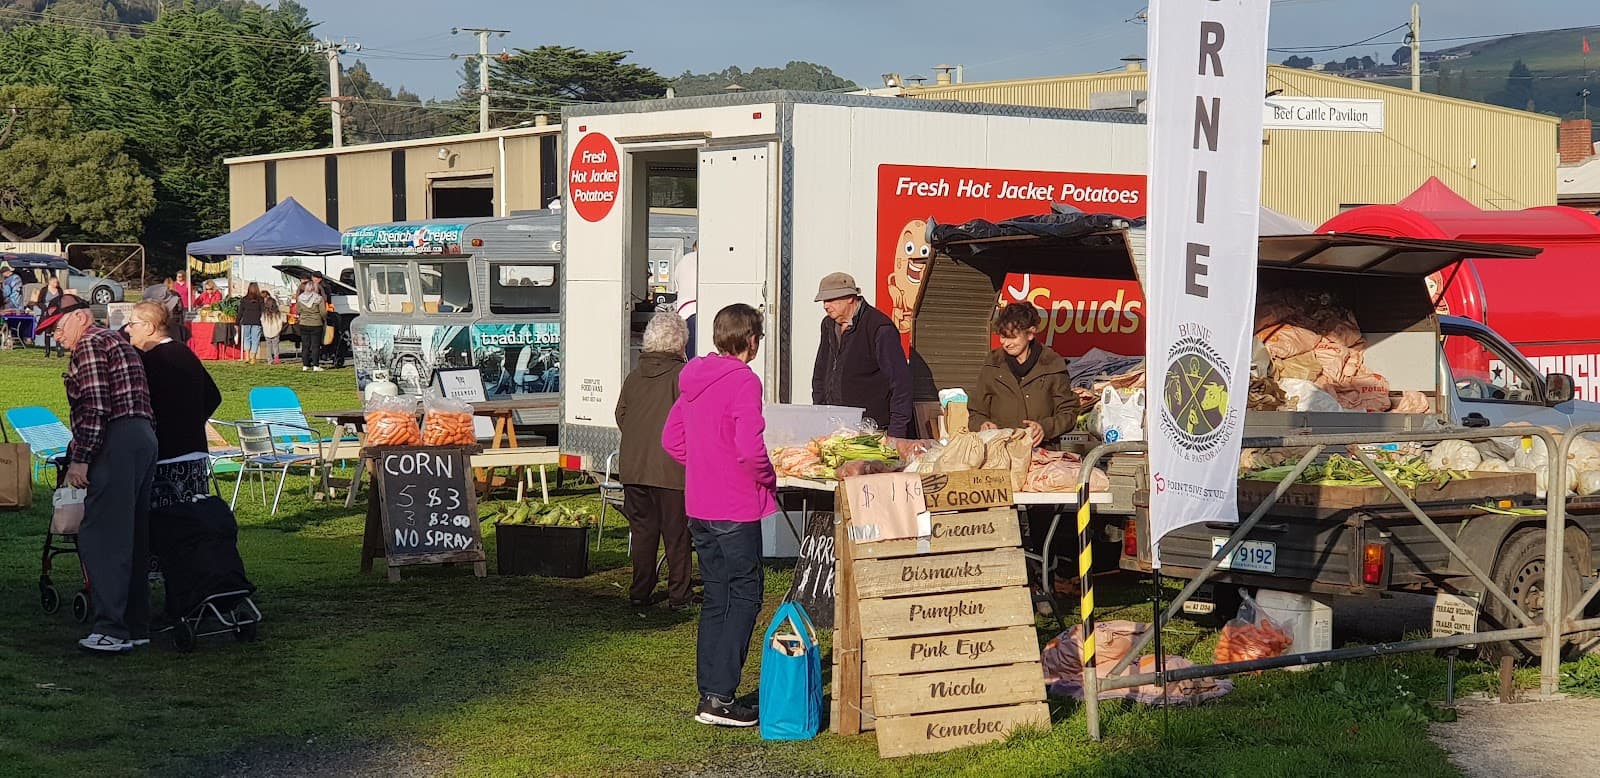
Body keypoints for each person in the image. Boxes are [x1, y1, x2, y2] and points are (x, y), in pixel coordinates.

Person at [662, 303, 775, 729]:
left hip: (701, 504)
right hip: (733, 505)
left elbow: (672, 439)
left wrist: (707, 463)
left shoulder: (693, 379)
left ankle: (710, 691)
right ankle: (720, 696)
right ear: (751, 340)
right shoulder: (744, 381)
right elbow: (749, 449)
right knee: (745, 595)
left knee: (717, 596)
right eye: (759, 338)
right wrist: (766, 476)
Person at [35, 293, 158, 653]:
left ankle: (111, 629)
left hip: (115, 439)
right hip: (142, 436)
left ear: (81, 317)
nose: (55, 336)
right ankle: (136, 624)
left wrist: (81, 458)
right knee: (134, 534)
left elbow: (96, 405)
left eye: (57, 327)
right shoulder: (115, 341)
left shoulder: (89, 345)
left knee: (102, 535)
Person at [615, 313, 694, 610]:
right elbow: (689, 419)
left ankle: (640, 591)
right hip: (670, 469)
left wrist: (639, 439)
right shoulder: (683, 376)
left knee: (643, 532)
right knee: (676, 535)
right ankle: (679, 595)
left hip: (633, 467)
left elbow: (620, 414)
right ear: (680, 342)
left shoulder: (634, 376)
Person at [124, 302, 222, 507]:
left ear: (149, 327)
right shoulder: (185, 353)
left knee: (167, 524)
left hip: (165, 456)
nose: (127, 329)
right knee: (192, 521)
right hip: (194, 452)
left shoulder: (151, 361)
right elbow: (213, 396)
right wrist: (191, 422)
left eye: (132, 323)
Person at [811, 272, 914, 438]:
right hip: (834, 427)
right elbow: (821, 371)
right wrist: (819, 411)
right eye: (824, 301)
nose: (826, 306)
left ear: (850, 297)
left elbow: (901, 383)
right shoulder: (828, 325)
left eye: (831, 300)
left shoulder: (879, 328)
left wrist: (896, 433)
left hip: (872, 430)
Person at [968, 302, 1079, 447]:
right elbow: (976, 411)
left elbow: (1068, 412)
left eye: (1012, 337)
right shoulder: (993, 364)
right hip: (1000, 452)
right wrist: (982, 424)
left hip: (1041, 452)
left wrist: (1044, 428)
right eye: (1002, 337)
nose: (1006, 343)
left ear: (1030, 333)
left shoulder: (1052, 364)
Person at [673, 241, 698, 358]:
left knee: (691, 357)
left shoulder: (684, 260)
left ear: (694, 247)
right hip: (706, 312)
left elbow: (677, 286)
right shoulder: (711, 260)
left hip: (686, 313)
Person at [294, 278, 325, 371]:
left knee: (305, 345)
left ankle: (305, 365)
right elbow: (323, 312)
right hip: (316, 324)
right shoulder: (319, 298)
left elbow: (298, 311)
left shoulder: (300, 298)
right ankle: (316, 365)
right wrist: (324, 318)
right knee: (315, 346)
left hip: (303, 323)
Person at [32, 277, 63, 356]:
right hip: (47, 312)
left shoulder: (59, 290)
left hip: (57, 312)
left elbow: (62, 300)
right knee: (48, 330)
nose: (56, 284)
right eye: (55, 283)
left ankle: (59, 349)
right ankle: (47, 350)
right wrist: (44, 308)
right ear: (50, 282)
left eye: (57, 283)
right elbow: (39, 302)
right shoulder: (44, 290)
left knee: (57, 330)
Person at [237, 283, 264, 364]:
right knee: (255, 339)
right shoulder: (260, 299)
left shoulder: (244, 299)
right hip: (257, 321)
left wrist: (236, 322)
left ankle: (247, 356)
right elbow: (263, 311)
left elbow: (240, 312)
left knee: (246, 338)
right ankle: (253, 358)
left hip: (246, 321)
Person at [260, 294, 285, 365]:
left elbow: (262, 321)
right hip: (276, 332)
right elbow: (280, 322)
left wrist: (265, 328)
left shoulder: (264, 314)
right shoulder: (278, 314)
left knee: (268, 346)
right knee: (275, 346)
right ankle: (276, 358)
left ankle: (269, 360)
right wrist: (279, 330)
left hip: (267, 332)